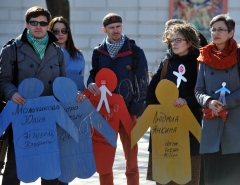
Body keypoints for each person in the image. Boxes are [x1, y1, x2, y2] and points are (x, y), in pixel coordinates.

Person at [0, 6, 85, 185]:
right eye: (34, 23)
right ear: (26, 24)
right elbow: (3, 80)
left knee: (50, 168)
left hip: (49, 116)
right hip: (22, 115)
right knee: (14, 168)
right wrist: (12, 93)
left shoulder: (58, 52)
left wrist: (73, 93)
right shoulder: (11, 50)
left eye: (43, 23)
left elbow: (62, 82)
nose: (38, 27)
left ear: (48, 25)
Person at [87, 13, 148, 185]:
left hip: (128, 111)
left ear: (122, 27)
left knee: (132, 159)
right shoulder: (98, 52)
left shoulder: (135, 51)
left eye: (118, 26)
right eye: (112, 27)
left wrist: (136, 107)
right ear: (104, 30)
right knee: (104, 157)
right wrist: (91, 82)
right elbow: (94, 73)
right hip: (105, 113)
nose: (116, 30)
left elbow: (143, 80)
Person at [195, 13, 240, 185]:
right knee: (212, 177)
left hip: (235, 126)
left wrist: (225, 103)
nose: (216, 33)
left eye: (221, 29)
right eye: (213, 29)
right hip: (212, 124)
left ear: (231, 32)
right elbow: (199, 90)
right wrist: (209, 102)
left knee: (233, 179)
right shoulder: (204, 57)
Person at [146, 23, 202, 185]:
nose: (174, 43)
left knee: (187, 177)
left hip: (188, 127)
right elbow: (152, 91)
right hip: (165, 127)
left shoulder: (200, 64)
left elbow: (204, 93)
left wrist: (187, 101)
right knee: (164, 178)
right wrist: (154, 113)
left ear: (190, 42)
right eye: (172, 40)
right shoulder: (167, 63)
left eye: (179, 40)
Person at [48, 16, 86, 91]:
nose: (60, 34)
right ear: (51, 33)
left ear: (68, 33)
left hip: (75, 98)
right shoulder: (46, 55)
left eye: (64, 30)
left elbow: (81, 80)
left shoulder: (79, 55)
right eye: (56, 31)